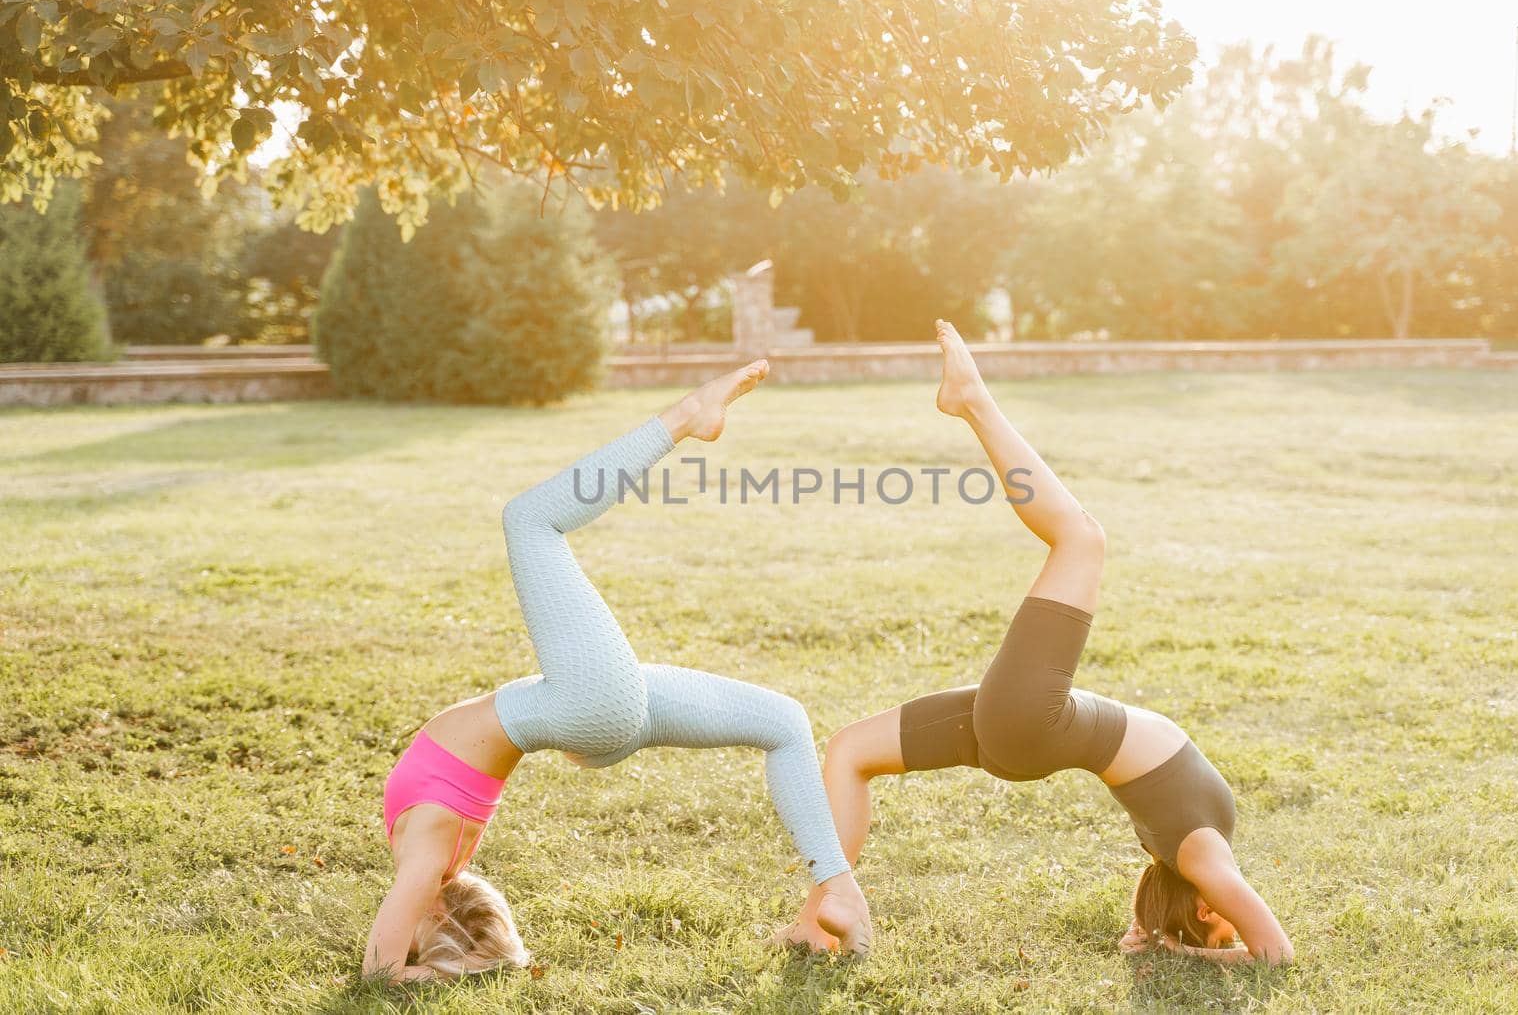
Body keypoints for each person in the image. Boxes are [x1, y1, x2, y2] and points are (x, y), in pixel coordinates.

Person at [775, 323, 1292, 965]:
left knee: (1082, 538)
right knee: (850, 750)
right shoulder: (1187, 862)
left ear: (1205, 908)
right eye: (1224, 926)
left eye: (1219, 926)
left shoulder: (1204, 861)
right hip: (1028, 725)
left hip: (1038, 719)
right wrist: (1161, 934)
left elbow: (1277, 956)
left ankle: (973, 401)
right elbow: (1219, 922)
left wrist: (1183, 954)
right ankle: (821, 919)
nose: (1229, 916)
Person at [365, 361, 872, 981]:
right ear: (435, 918)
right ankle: (686, 417)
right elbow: (380, 973)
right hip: (585, 704)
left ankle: (837, 889)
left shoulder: (432, 858)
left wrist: (430, 951)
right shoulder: (430, 856)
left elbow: (390, 950)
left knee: (784, 721)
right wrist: (429, 966)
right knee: (528, 520)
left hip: (587, 707)